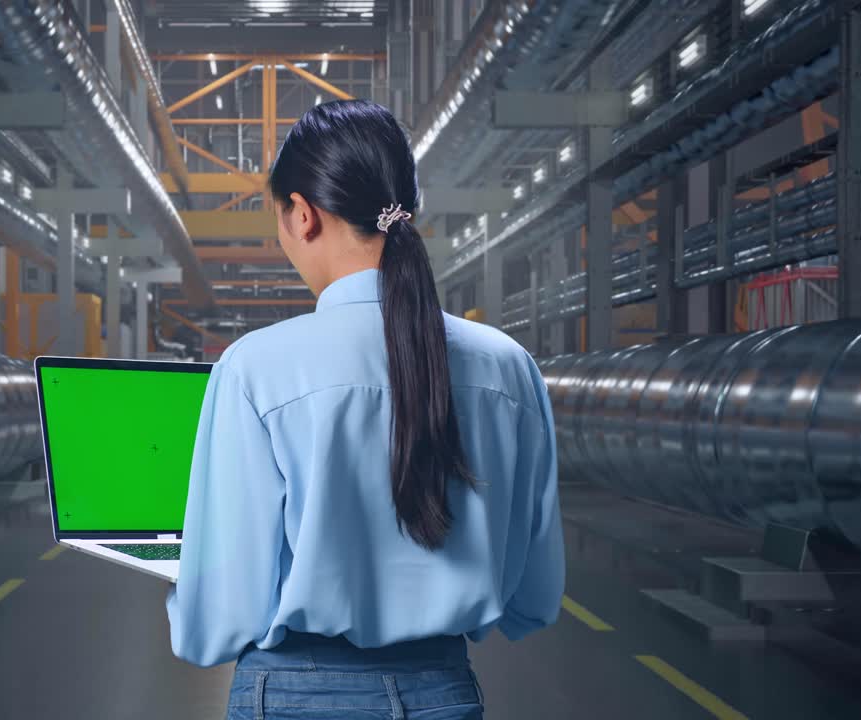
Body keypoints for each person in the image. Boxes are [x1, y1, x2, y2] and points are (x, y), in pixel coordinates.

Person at [165, 99, 565, 720]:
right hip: (445, 692)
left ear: (302, 215)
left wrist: (188, 588)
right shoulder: (508, 367)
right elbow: (533, 599)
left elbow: (216, 625)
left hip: (296, 696)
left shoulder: (255, 369)